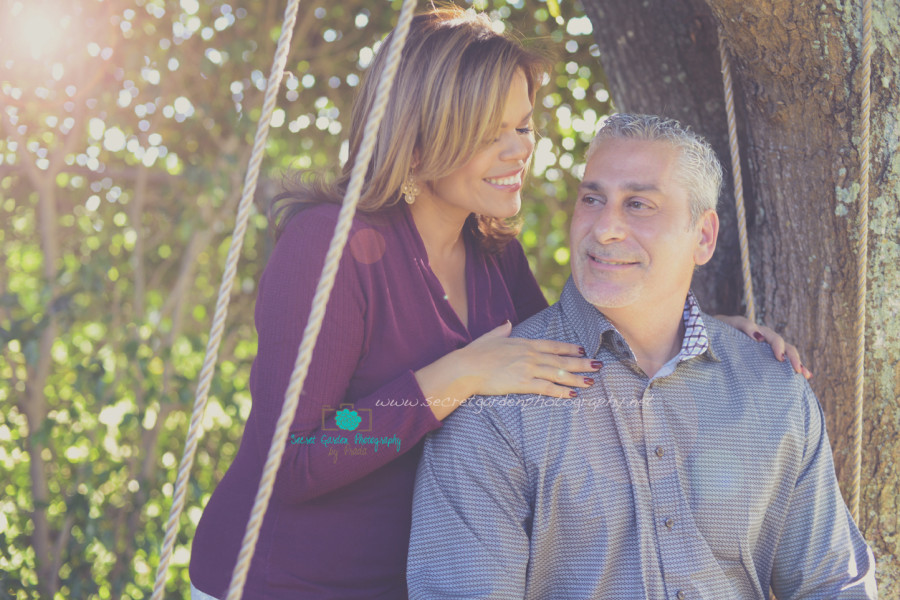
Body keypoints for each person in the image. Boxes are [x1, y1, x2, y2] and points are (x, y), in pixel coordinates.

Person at [189, 9, 806, 599]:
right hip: (281, 583)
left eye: (523, 126)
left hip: (414, 583)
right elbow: (298, 455)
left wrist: (690, 326)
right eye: (492, 134)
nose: (519, 152)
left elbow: (574, 353)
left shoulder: (488, 248)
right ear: (422, 135)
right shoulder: (329, 245)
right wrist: (452, 378)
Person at [407, 114, 876, 600]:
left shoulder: (772, 389)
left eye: (639, 204)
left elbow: (833, 582)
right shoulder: (496, 403)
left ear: (704, 236)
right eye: (592, 199)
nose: (606, 228)